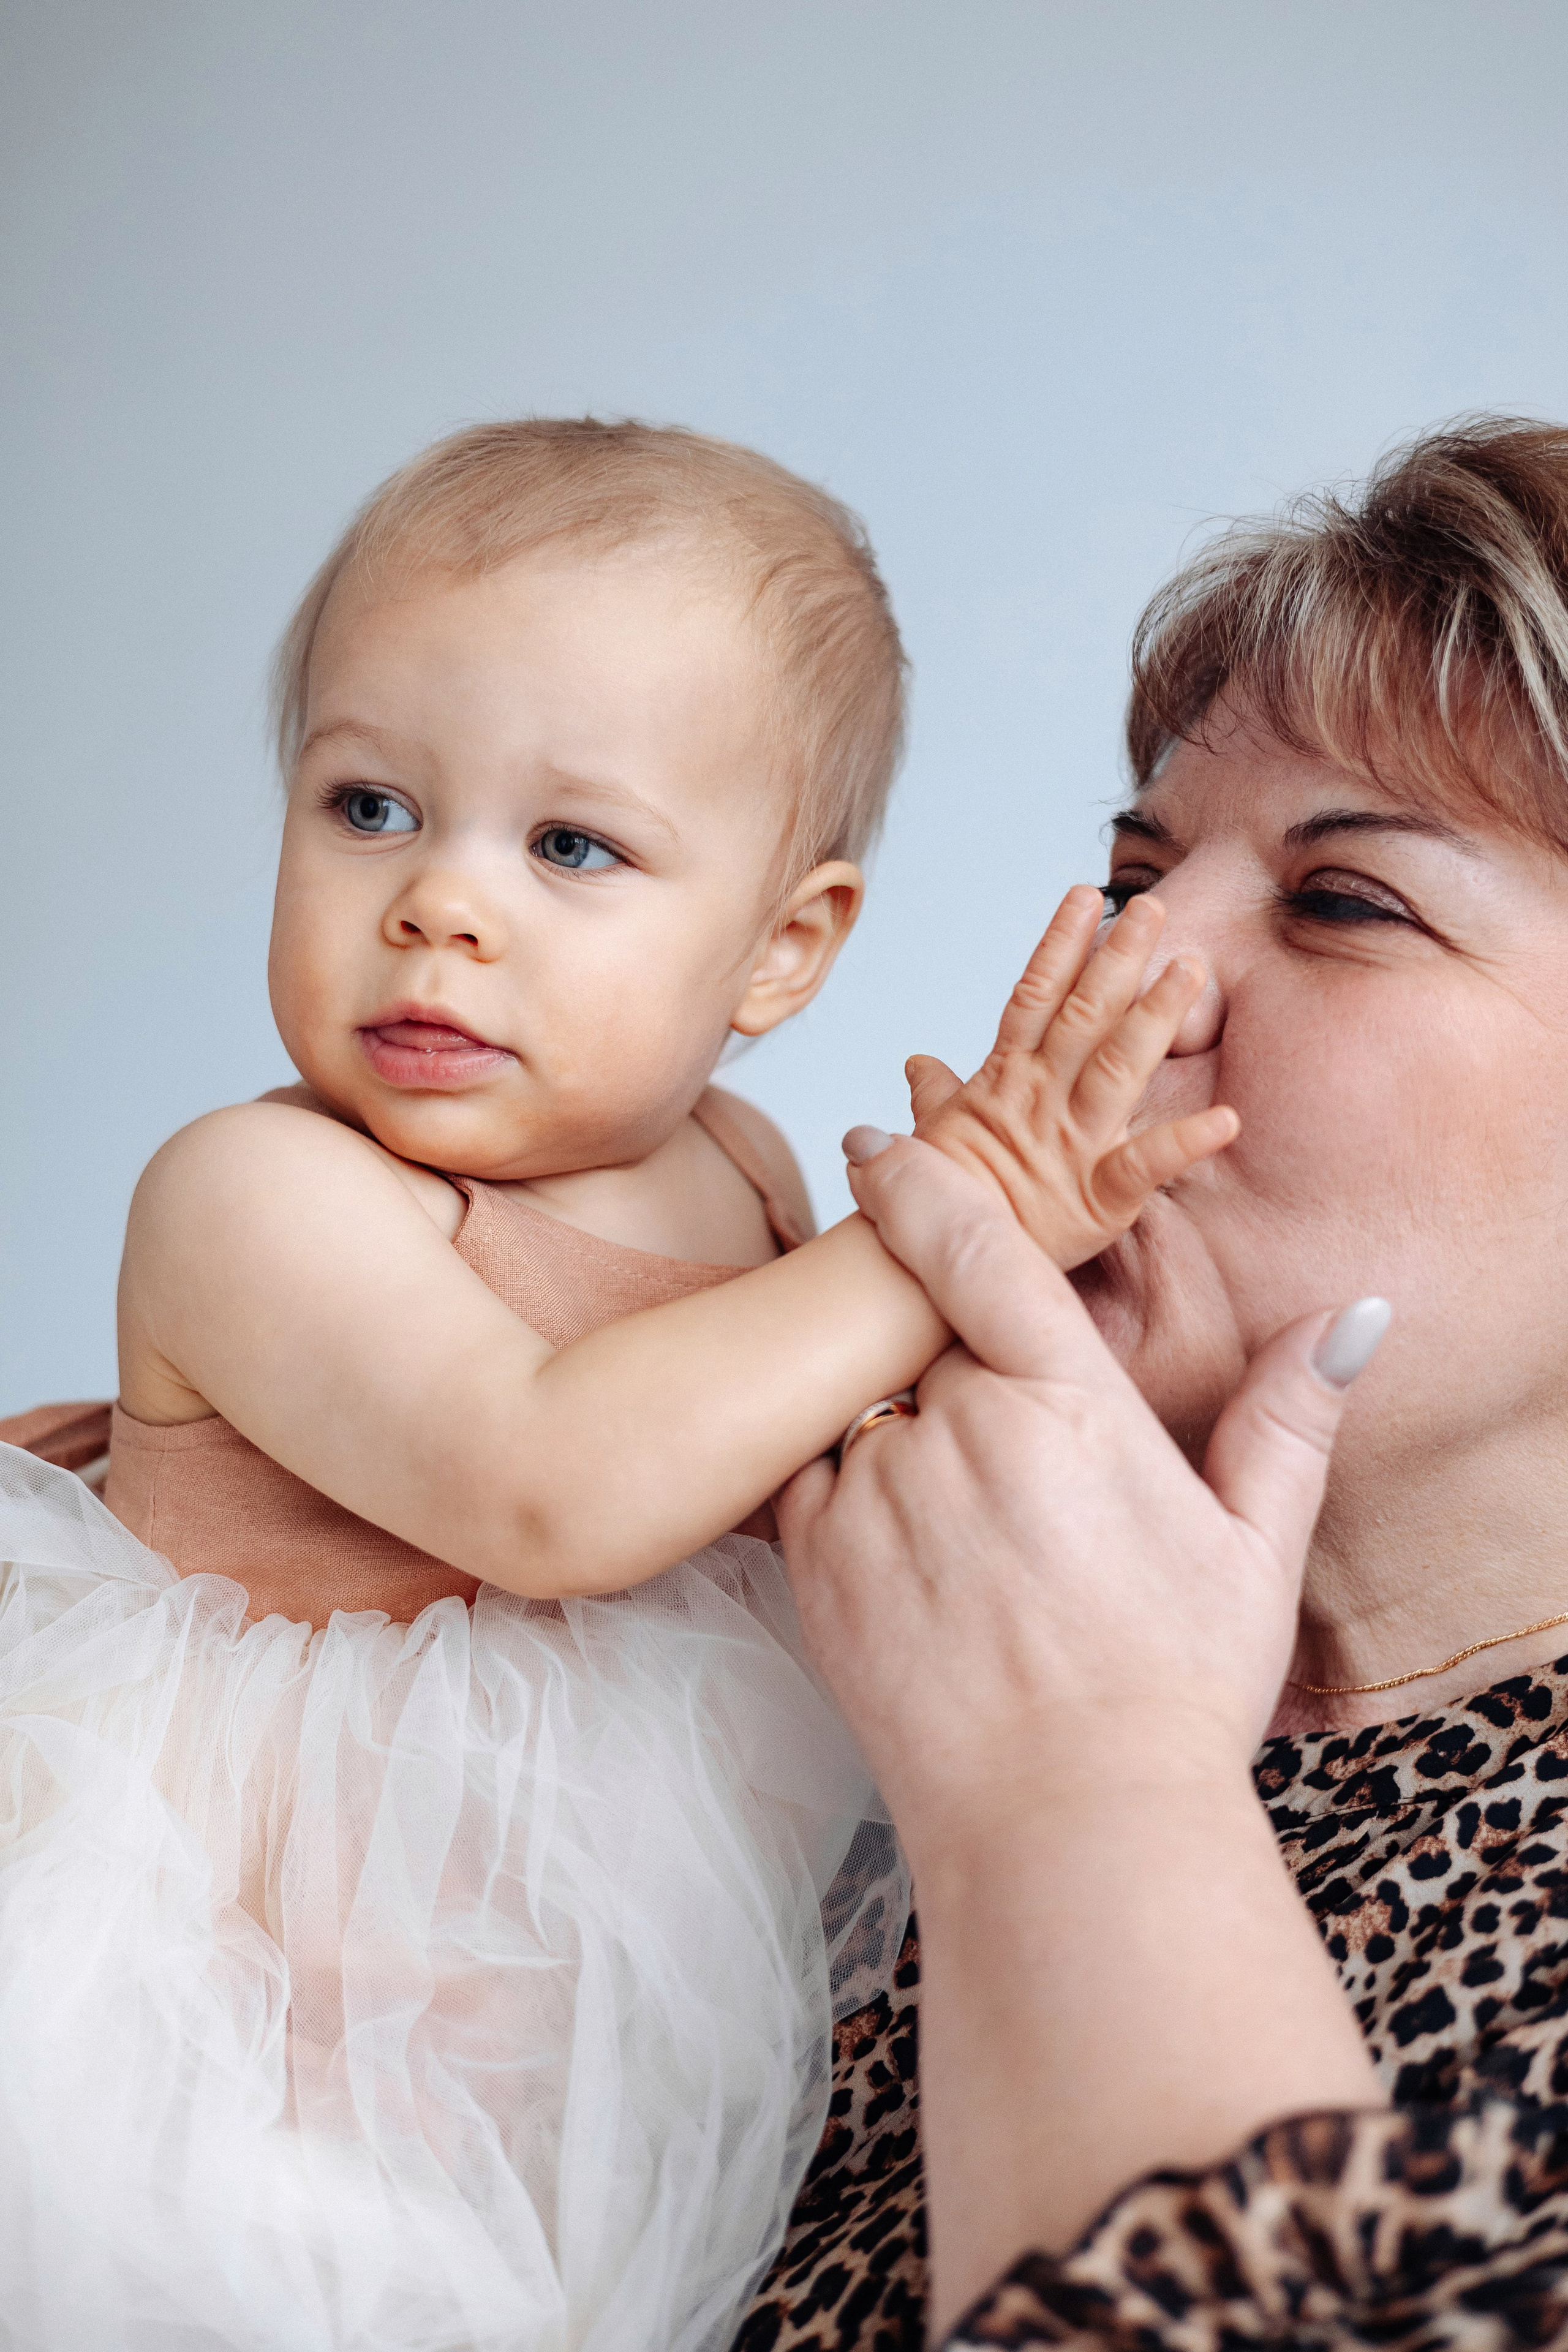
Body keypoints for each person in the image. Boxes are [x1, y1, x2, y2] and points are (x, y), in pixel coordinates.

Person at [0, 417, 1232, 2350]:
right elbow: (549, 1489)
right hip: (232, 2005)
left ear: (781, 948)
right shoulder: (258, 1193)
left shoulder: (742, 1174)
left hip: (564, 2032)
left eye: (571, 845)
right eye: (370, 807)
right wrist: (955, 1216)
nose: (437, 904)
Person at [739, 416, 1568, 2351]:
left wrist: (1077, 1785)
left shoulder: (1021, 1730)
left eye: (1343, 902)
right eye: (1135, 871)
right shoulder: (828, 1676)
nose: (1124, 977)